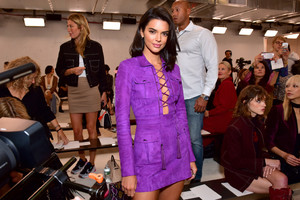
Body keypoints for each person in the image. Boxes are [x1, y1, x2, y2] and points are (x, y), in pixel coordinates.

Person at [115, 6, 196, 199]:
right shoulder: (128, 68)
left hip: (177, 154)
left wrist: (190, 158)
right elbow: (123, 125)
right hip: (147, 156)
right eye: (152, 31)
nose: (158, 39)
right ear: (142, 32)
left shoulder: (174, 69)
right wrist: (128, 170)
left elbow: (181, 117)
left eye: (164, 33)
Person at [55, 13, 108, 178]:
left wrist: (104, 91)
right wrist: (72, 71)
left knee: (92, 128)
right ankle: (82, 159)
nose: (69, 29)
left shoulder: (96, 46)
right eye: (68, 26)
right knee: (77, 130)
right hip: (74, 89)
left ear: (81, 27)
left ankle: (91, 163)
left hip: (92, 89)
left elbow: (101, 73)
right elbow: (59, 70)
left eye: (71, 26)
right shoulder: (65, 47)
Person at [171, 0, 218, 182]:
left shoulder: (202, 34)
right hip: (175, 97)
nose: (174, 13)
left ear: (189, 10)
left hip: (194, 96)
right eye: (172, 10)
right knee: (176, 139)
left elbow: (213, 67)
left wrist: (205, 95)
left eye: (177, 9)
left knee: (194, 140)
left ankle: (196, 177)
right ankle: (180, 173)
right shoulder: (172, 35)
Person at [221, 85, 292, 199]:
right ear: (245, 102)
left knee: (282, 180)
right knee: (281, 187)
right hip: (238, 172)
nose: (264, 104)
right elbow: (234, 161)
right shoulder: (235, 127)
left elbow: (262, 149)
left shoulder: (257, 122)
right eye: (258, 101)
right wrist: (264, 162)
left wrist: (267, 163)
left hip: (254, 165)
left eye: (264, 100)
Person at [0, 56, 69, 145]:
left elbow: (45, 110)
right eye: (30, 78)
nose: (33, 81)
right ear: (19, 77)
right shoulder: (2, 91)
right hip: (10, 139)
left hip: (37, 135)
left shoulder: (35, 89)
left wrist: (59, 129)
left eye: (35, 77)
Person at [265, 75, 300, 184]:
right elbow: (268, 141)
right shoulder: (278, 110)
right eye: (287, 86)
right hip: (282, 160)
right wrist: (285, 155)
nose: (289, 89)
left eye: (295, 86)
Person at [203, 61, 237, 134]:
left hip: (224, 119)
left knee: (200, 123)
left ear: (229, 72)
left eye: (223, 69)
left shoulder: (227, 84)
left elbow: (224, 107)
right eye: (218, 69)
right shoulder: (224, 83)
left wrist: (209, 113)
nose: (219, 71)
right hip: (224, 116)